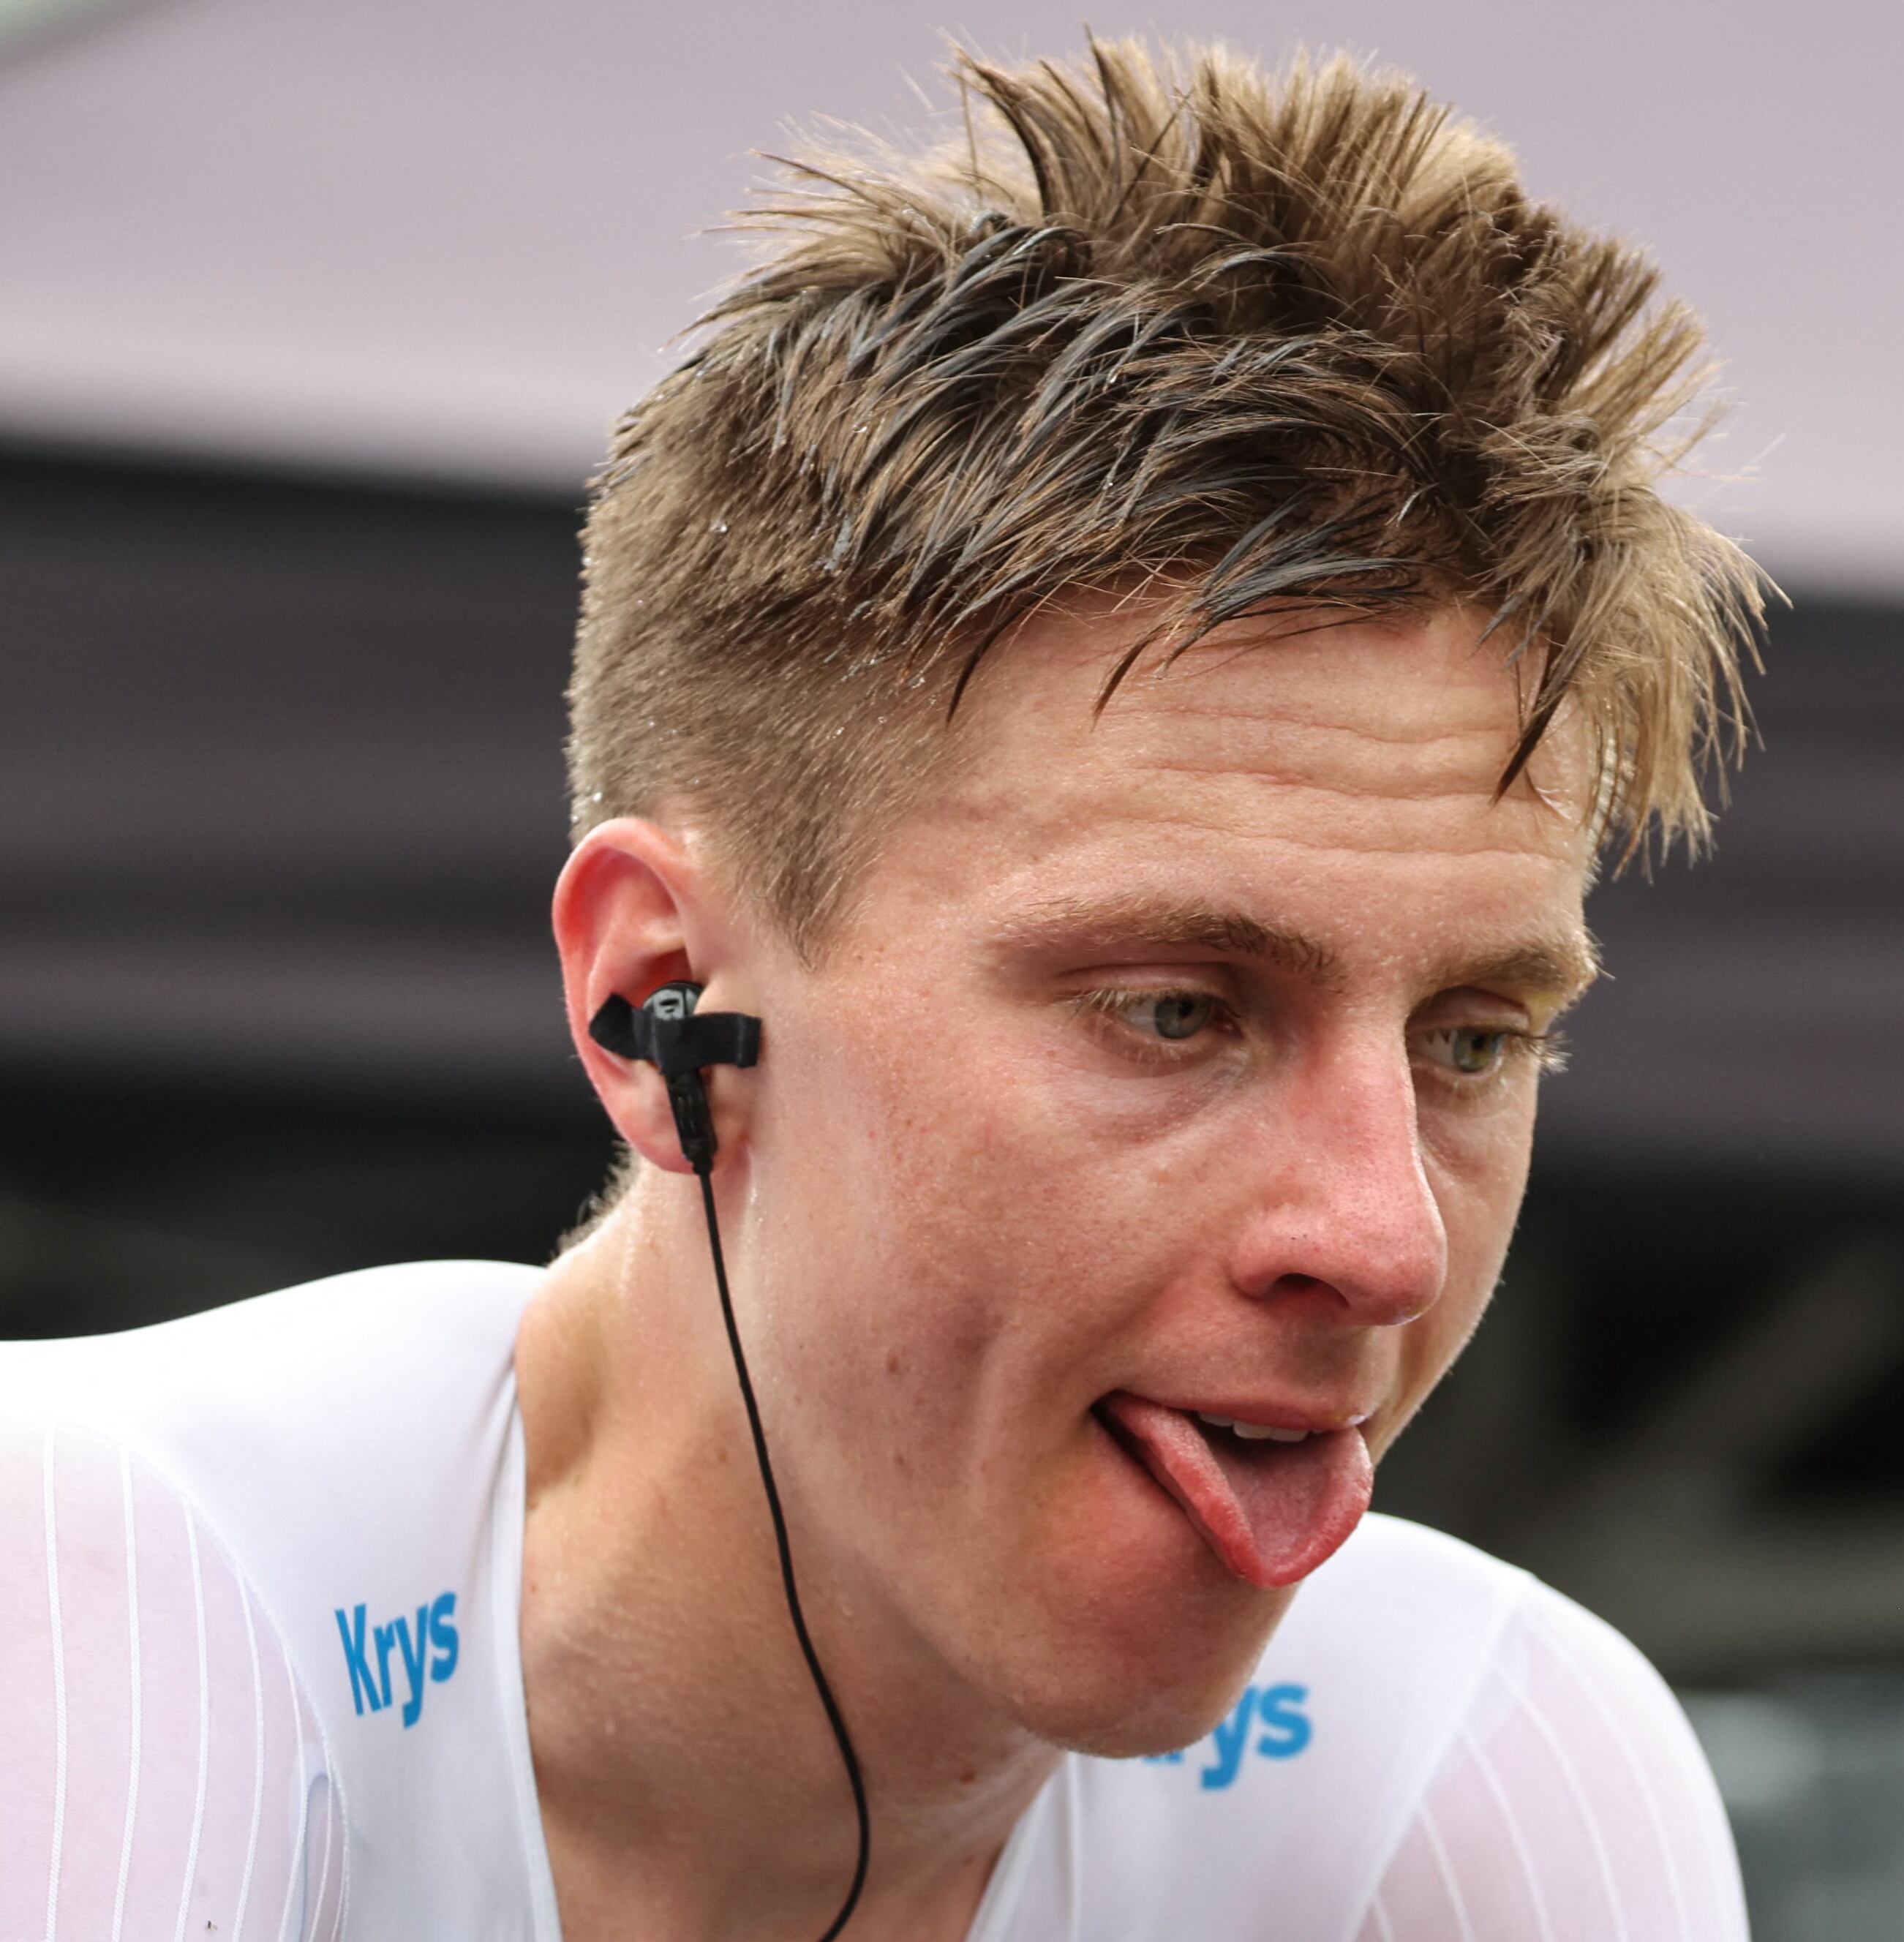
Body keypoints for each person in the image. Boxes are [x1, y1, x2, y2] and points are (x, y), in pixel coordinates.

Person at [0, 40, 1765, 1942]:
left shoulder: (1475, 1775)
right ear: (659, 1010)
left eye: (1474, 1039)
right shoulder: (104, 1582)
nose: (1384, 1237)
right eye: (1177, 1010)